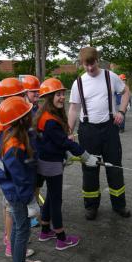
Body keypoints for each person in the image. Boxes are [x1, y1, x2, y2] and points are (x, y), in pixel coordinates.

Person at [35, 78, 99, 250]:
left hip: (47, 161)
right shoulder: (50, 120)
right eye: (58, 94)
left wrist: (65, 154)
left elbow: (56, 143)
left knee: (50, 197)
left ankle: (44, 230)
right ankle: (61, 239)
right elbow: (64, 142)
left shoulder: (46, 115)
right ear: (48, 97)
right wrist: (86, 156)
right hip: (51, 164)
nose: (62, 97)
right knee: (56, 200)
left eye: (63, 94)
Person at [68, 47, 131, 220]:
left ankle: (119, 205)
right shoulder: (78, 83)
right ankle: (91, 206)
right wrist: (69, 131)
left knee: (115, 168)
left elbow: (126, 91)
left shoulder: (110, 76)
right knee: (89, 169)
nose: (89, 69)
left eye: (92, 64)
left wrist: (122, 111)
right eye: (85, 65)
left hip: (109, 129)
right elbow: (74, 108)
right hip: (88, 131)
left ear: (98, 60)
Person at [0, 96, 47, 262]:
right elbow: (20, 179)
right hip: (17, 195)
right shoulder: (13, 146)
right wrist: (30, 202)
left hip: (15, 192)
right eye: (27, 113)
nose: (32, 115)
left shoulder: (15, 135)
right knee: (22, 230)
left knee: (17, 227)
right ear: (21, 119)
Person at [0, 77, 26, 257]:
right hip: (9, 179)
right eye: (20, 95)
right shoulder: (5, 125)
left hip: (5, 177)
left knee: (8, 207)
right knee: (10, 209)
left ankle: (10, 241)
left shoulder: (3, 121)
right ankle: (10, 246)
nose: (23, 99)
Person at [22, 74, 42, 228]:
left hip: (37, 154)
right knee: (27, 185)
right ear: (25, 93)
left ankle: (32, 211)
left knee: (36, 184)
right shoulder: (21, 110)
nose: (36, 94)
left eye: (38, 91)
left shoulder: (38, 108)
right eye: (32, 91)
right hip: (25, 156)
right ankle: (26, 214)